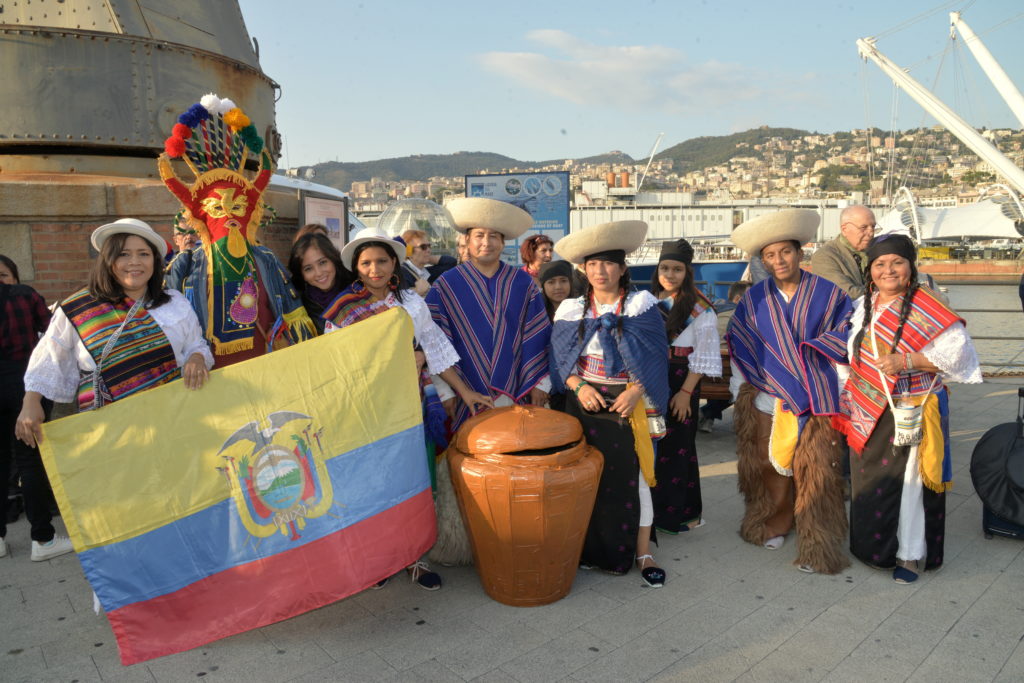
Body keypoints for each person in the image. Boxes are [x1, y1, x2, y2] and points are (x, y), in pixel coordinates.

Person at [15, 220, 213, 555]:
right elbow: (48, 357)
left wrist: (196, 357)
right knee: (124, 506)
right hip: (110, 429)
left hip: (173, 423)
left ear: (155, 261)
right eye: (124, 254)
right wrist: (30, 402)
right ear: (108, 260)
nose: (134, 262)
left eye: (143, 254)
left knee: (177, 499)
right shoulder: (78, 309)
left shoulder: (175, 302)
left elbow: (199, 345)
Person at [322, 227, 492, 590]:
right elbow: (335, 363)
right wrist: (399, 358)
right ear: (356, 266)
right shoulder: (342, 310)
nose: (374, 269)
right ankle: (380, 560)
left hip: (411, 406)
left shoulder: (411, 303)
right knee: (376, 487)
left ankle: (414, 558)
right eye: (366, 262)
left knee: (413, 484)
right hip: (367, 411)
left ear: (394, 262)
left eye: (381, 260)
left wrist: (464, 392)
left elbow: (435, 349)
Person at [830, 234, 981, 583]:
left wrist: (908, 360)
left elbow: (958, 355)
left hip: (910, 408)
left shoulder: (929, 308)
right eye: (880, 264)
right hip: (868, 408)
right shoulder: (863, 306)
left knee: (910, 483)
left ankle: (909, 555)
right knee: (870, 481)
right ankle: (870, 549)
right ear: (870, 272)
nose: (888, 270)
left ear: (910, 267)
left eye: (897, 262)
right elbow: (851, 353)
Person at [726, 209, 852, 574]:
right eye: (769, 255)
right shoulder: (754, 299)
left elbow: (846, 339)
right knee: (770, 465)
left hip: (818, 397)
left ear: (800, 252)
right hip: (767, 396)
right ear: (762, 260)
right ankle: (774, 521)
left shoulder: (829, 294)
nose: (778, 260)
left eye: (785, 252)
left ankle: (819, 540)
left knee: (817, 471)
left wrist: (832, 382)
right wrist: (740, 390)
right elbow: (741, 342)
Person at [549, 220, 670, 587]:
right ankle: (592, 550)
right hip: (585, 403)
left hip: (627, 402)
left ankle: (642, 551)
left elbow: (654, 355)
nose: (600, 271)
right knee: (589, 479)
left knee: (633, 478)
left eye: (607, 264)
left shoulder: (640, 304)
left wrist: (635, 390)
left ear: (622, 269)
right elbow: (558, 361)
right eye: (592, 265)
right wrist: (578, 386)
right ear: (584, 270)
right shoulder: (571, 309)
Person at [160, 93, 315, 367]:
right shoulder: (185, 265)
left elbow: (290, 305)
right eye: (218, 209)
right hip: (207, 368)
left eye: (238, 208)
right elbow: (167, 318)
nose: (230, 216)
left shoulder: (266, 259)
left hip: (265, 358)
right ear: (201, 217)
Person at [426, 198, 551, 431]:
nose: (486, 242)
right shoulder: (446, 285)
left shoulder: (522, 283)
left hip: (515, 391)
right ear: (467, 240)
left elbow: (538, 335)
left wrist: (540, 383)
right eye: (479, 235)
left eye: (494, 236)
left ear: (503, 243)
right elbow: (433, 341)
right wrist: (443, 392)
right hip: (462, 390)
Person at [649, 239, 721, 533]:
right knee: (651, 445)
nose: (670, 274)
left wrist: (685, 394)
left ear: (687, 271)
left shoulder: (701, 309)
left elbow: (703, 357)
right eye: (665, 267)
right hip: (652, 379)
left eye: (677, 269)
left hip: (682, 381)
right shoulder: (648, 301)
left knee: (678, 447)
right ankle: (649, 512)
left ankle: (677, 514)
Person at [0, 255, 65, 561]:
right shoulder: (25, 295)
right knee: (31, 460)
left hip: (20, 382)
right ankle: (43, 538)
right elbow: (52, 334)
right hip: (24, 382)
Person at [698, 281, 750, 432]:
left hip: (701, 378)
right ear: (739, 299)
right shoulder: (742, 318)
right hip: (724, 378)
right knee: (744, 381)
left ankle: (708, 416)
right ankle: (706, 413)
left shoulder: (708, 312)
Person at [288, 232, 353, 334]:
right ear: (301, 274)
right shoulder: (298, 308)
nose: (318, 273)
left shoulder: (358, 289)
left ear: (333, 259)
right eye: (308, 269)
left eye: (322, 262)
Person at [810, 205, 875, 300]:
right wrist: (886, 294)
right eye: (864, 227)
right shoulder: (825, 256)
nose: (871, 232)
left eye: (873, 226)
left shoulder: (876, 250)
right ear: (844, 229)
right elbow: (846, 293)